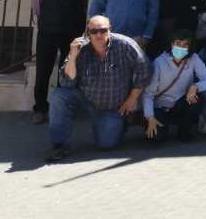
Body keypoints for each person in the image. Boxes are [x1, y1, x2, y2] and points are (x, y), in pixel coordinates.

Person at [46, 15, 150, 162]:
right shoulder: (80, 48)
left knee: (106, 144)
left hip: (112, 107)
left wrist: (132, 98)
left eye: (103, 30)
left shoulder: (125, 44)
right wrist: (73, 56)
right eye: (94, 31)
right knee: (59, 95)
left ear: (110, 30)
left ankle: (121, 123)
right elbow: (67, 82)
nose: (98, 35)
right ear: (88, 33)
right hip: (86, 99)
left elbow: (144, 69)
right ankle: (59, 145)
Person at [30, 0, 88, 125]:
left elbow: (84, 1)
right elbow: (36, 5)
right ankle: (40, 109)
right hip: (48, 31)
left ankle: (64, 108)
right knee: (43, 72)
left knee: (68, 73)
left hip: (72, 32)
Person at [143, 28, 206, 143]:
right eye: (177, 43)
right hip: (160, 107)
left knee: (197, 98)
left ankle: (184, 131)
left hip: (180, 104)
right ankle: (157, 126)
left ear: (189, 47)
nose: (181, 48)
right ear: (171, 44)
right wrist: (150, 117)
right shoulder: (159, 63)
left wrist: (196, 87)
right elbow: (148, 94)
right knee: (155, 138)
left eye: (185, 45)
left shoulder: (193, 58)